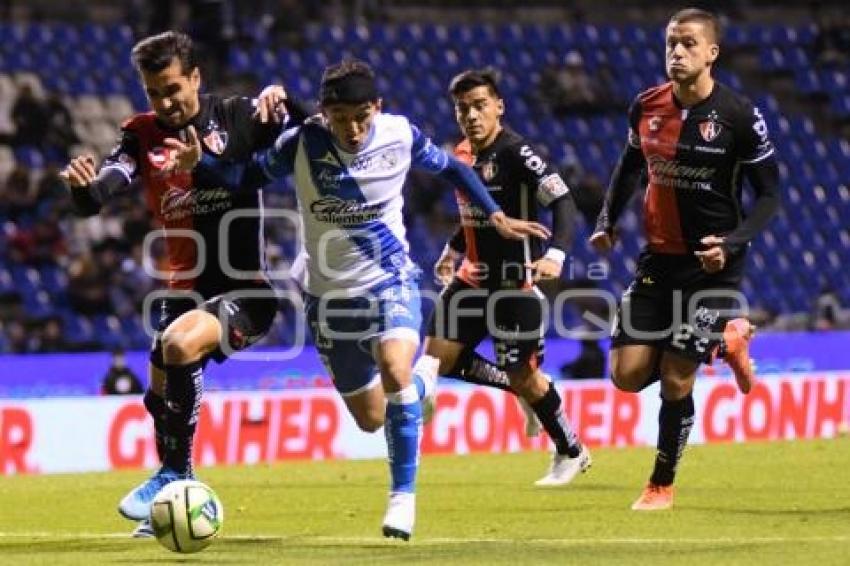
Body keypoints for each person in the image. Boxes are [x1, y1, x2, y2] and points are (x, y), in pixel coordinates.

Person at [183, 59, 550, 540]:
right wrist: (203, 166)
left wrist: (496, 215)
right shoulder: (301, 144)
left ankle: (403, 500)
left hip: (390, 280)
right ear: (323, 113)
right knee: (372, 417)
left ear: (377, 107)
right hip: (327, 298)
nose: (353, 129)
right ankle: (425, 385)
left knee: (395, 368)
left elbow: (456, 172)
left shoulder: (399, 134)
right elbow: (244, 179)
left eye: (362, 115)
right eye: (341, 117)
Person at [59, 31, 306, 536]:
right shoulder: (140, 135)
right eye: (153, 92)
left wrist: (287, 99)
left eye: (173, 88)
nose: (165, 102)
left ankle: (173, 474)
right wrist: (85, 192)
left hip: (247, 293)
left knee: (176, 346)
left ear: (196, 77)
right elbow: (108, 185)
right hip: (183, 293)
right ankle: (177, 491)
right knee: (158, 394)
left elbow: (311, 134)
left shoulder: (239, 117)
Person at [589, 8, 780, 511]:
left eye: (689, 43)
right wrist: (607, 219)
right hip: (658, 259)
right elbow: (631, 164)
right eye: (672, 42)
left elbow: (770, 196)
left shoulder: (739, 116)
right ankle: (722, 342)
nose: (677, 51)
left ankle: (660, 484)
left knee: (676, 377)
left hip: (712, 264)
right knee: (626, 376)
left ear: (711, 53)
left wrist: (733, 241)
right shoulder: (646, 106)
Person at [428, 69, 591, 486]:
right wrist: (454, 248)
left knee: (525, 376)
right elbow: (476, 215)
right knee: (440, 359)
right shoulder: (461, 154)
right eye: (463, 108)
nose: (471, 116)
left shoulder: (518, 153)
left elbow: (564, 201)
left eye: (480, 105)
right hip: (470, 281)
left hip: (513, 285)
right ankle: (526, 390)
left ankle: (570, 450)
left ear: (499, 106)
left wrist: (555, 254)